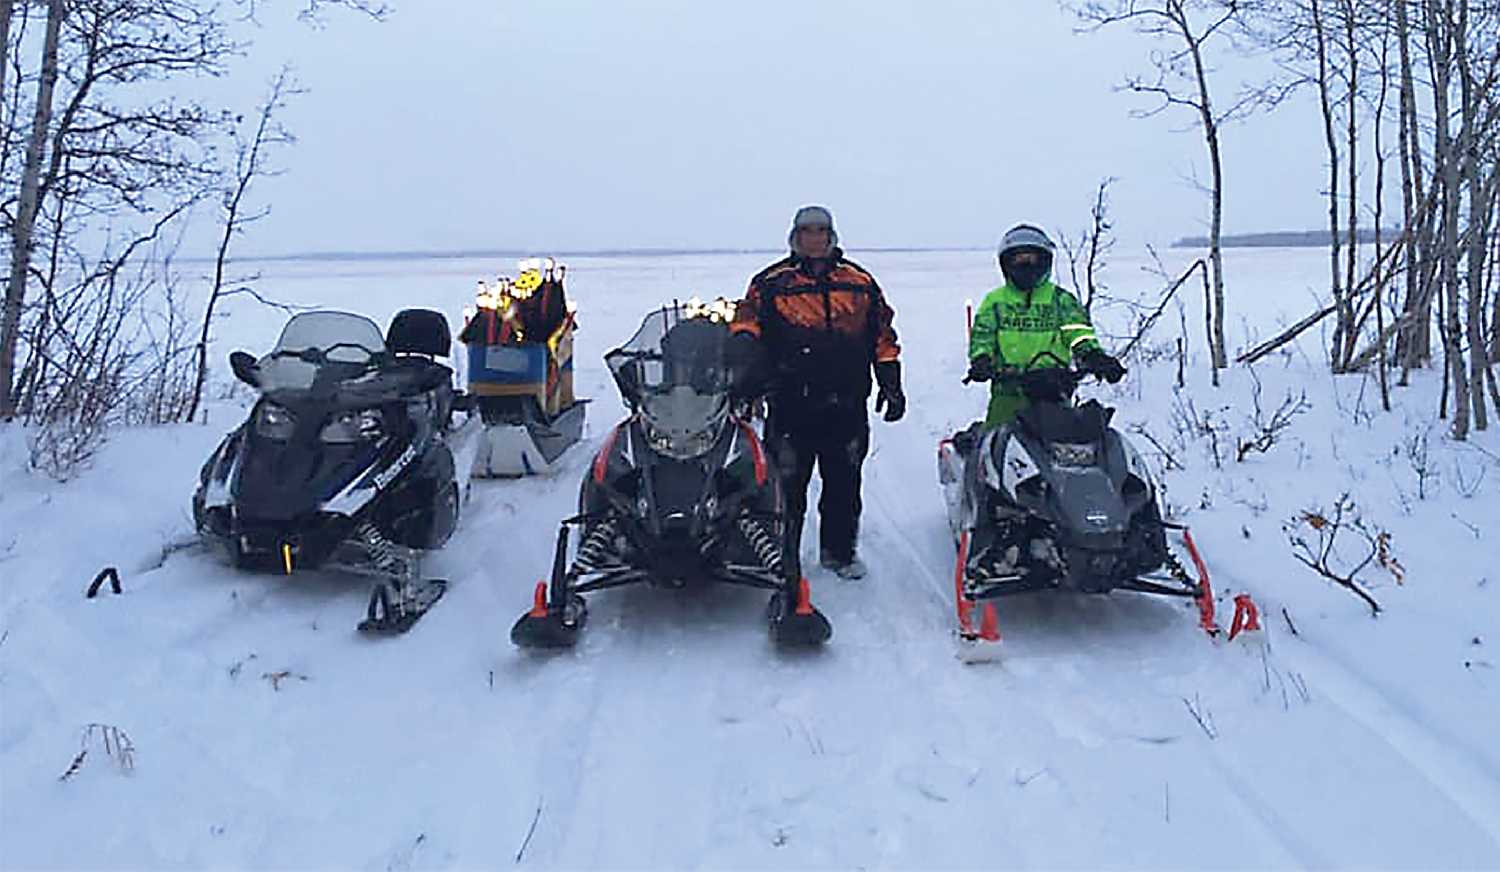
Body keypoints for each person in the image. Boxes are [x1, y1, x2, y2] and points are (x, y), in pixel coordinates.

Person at [730, 205, 903, 580]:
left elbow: (882, 335)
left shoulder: (858, 283)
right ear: (795, 237)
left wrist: (891, 382)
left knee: (844, 483)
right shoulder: (771, 283)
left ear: (831, 236)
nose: (813, 238)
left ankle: (839, 553)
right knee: (786, 484)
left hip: (845, 401)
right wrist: (745, 366)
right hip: (791, 402)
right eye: (806, 231)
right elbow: (745, 324)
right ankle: (782, 554)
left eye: (820, 231)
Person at [966, 224, 1125, 429]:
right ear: (1007, 264)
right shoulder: (995, 301)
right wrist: (981, 359)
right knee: (995, 442)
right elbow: (983, 335)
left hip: (1054, 389)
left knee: (1070, 444)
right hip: (1009, 389)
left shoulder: (1060, 300)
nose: (1026, 266)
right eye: (1019, 260)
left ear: (1045, 261)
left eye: (1032, 259)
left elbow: (1078, 333)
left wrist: (1094, 356)